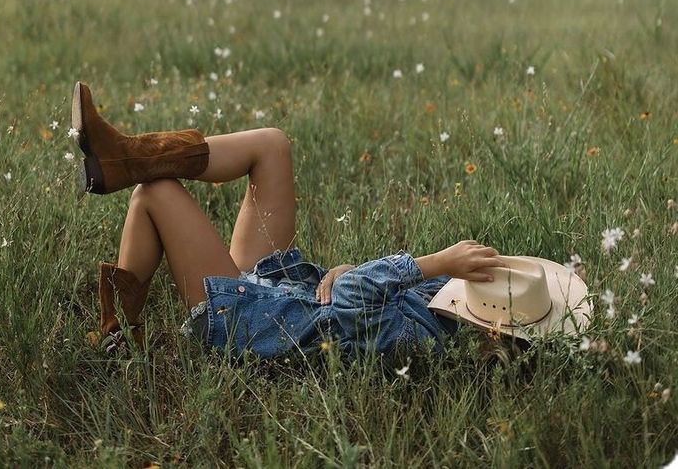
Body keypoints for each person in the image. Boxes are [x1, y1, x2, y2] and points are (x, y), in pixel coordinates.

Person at [72, 82, 590, 360]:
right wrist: (345, 268)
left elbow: (354, 304)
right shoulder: (436, 311)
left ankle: (118, 332)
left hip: (249, 317)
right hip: (281, 286)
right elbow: (354, 295)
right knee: (271, 145)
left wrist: (436, 262)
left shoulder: (423, 343)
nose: (464, 279)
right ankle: (123, 157)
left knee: (156, 193)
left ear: (493, 333)